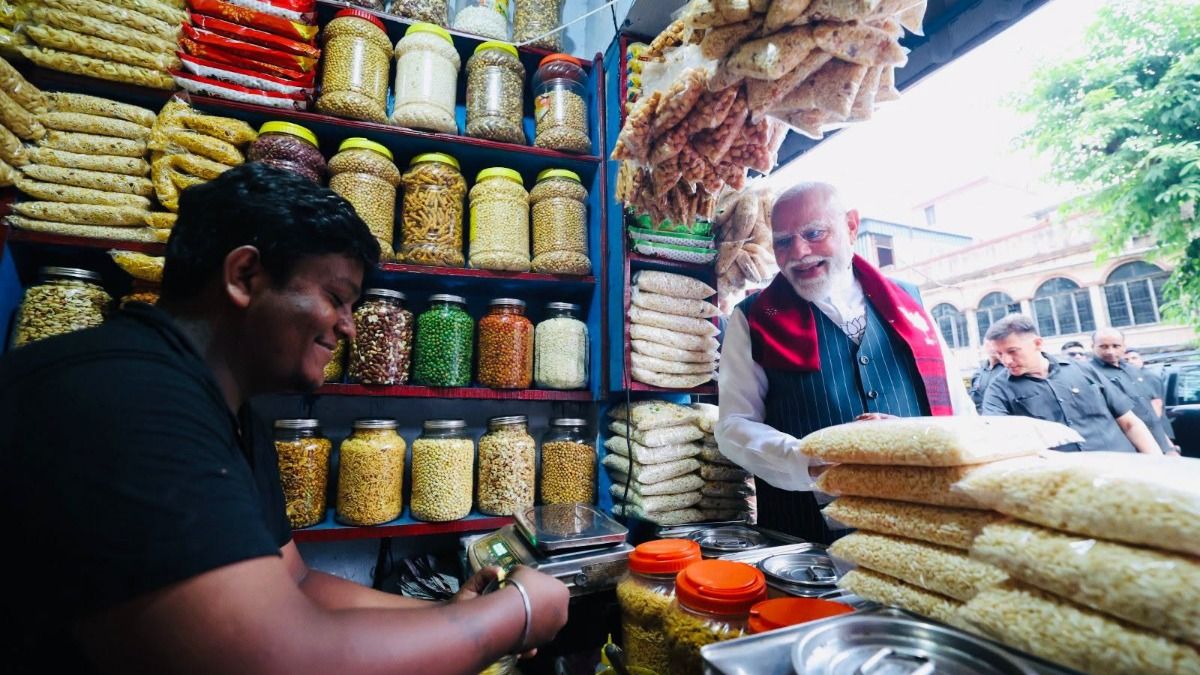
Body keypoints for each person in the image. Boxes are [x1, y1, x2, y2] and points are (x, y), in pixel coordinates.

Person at [0, 164, 569, 674]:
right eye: (336, 297)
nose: (349, 326)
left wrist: (450, 612)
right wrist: (514, 615)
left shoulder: (232, 410)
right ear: (244, 276)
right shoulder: (126, 396)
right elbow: (276, 659)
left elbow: (296, 583)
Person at [716, 182, 975, 544]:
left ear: (851, 226)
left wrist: (917, 440)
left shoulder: (910, 302)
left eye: (814, 233)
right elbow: (733, 425)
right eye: (783, 241)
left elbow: (961, 411)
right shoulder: (755, 318)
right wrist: (807, 460)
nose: (800, 252)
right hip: (805, 539)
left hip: (921, 527)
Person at [980, 314, 1162, 454]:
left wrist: (1157, 462)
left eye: (1012, 351)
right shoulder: (998, 390)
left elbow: (1130, 423)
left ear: (1037, 343)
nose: (1007, 360)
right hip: (1064, 485)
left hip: (1120, 470)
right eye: (999, 354)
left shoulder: (1084, 371)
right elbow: (999, 440)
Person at [1090, 330, 1175, 454]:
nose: (1110, 351)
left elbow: (1151, 413)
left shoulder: (1132, 370)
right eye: (1103, 347)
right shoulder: (1090, 373)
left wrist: (1169, 446)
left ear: (1124, 347)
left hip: (1159, 444)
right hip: (1128, 448)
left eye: (1115, 346)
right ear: (1093, 347)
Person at [968, 340, 1003, 412]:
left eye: (996, 344)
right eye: (990, 343)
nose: (993, 348)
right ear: (984, 346)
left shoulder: (1009, 372)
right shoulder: (978, 374)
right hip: (979, 419)